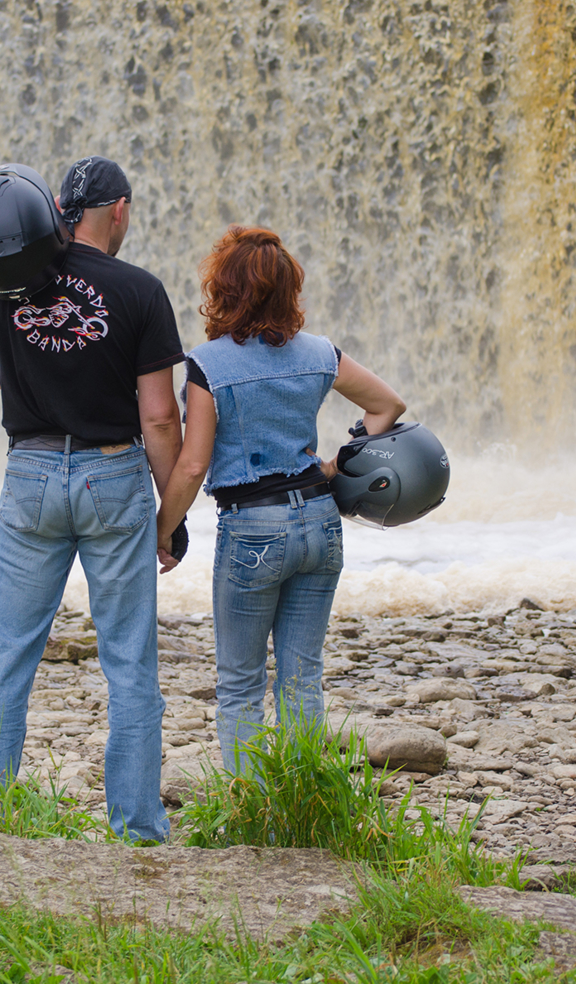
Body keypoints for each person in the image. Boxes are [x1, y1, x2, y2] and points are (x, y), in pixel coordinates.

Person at [0, 156, 183, 842]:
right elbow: (158, 418)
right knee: (128, 661)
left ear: (60, 208)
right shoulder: (140, 290)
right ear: (117, 211)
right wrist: (169, 518)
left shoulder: (6, 277)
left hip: (30, 472)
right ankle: (138, 828)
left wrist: (42, 379)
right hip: (111, 474)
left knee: (7, 654)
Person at [154, 226, 405, 775]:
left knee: (241, 682)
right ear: (289, 290)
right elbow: (387, 406)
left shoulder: (208, 364)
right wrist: (340, 462)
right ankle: (301, 809)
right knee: (302, 675)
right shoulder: (319, 354)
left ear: (224, 290)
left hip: (253, 529)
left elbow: (193, 464)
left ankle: (249, 814)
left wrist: (163, 529)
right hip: (321, 520)